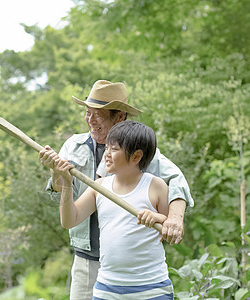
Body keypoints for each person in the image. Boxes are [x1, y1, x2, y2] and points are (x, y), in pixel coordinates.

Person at [39, 80, 194, 299]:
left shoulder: (141, 150)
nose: (90, 120)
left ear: (119, 116)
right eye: (87, 112)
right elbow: (60, 188)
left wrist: (174, 219)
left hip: (140, 274)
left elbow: (177, 180)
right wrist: (57, 174)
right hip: (89, 260)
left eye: (98, 114)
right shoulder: (73, 145)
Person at [52, 120, 180, 299]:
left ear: (136, 157)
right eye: (107, 149)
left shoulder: (156, 186)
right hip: (107, 289)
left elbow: (171, 232)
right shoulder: (99, 187)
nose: (107, 155)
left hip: (151, 288)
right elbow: (69, 221)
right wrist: (66, 183)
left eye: (114, 149)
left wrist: (157, 217)